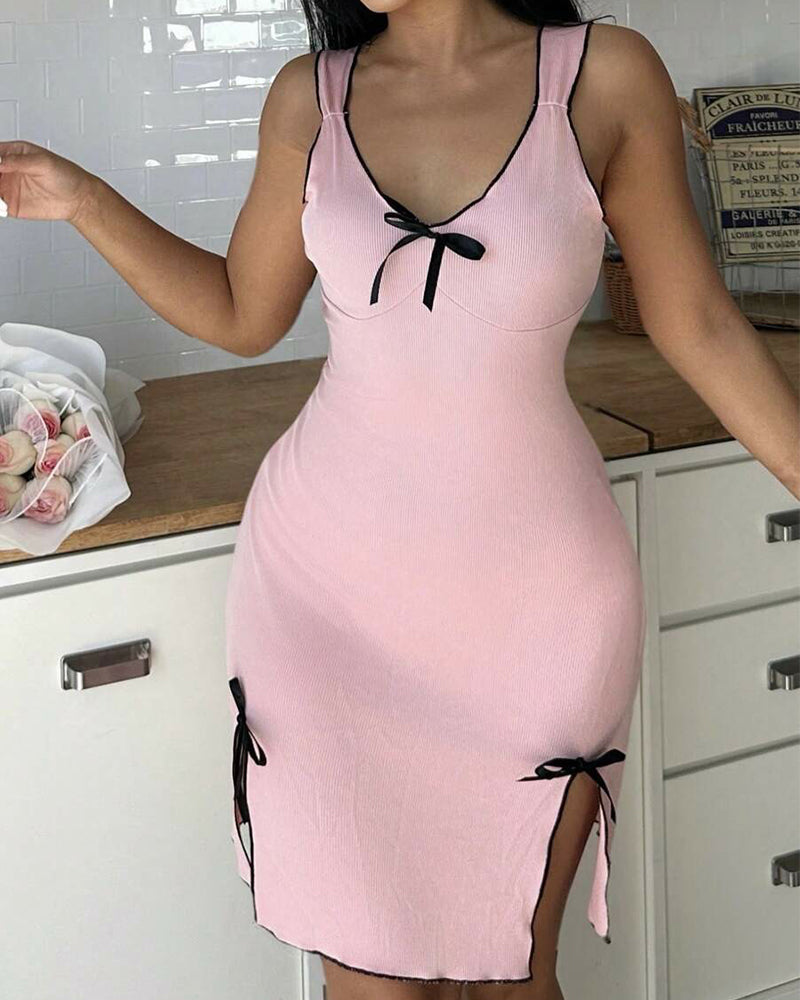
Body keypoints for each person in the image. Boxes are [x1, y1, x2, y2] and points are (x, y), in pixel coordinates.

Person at [1, 2, 797, 998]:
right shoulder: (311, 97)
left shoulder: (603, 76)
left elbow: (699, 324)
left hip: (537, 599)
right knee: (369, 982)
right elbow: (243, 312)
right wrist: (80, 198)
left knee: (510, 971)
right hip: (326, 597)